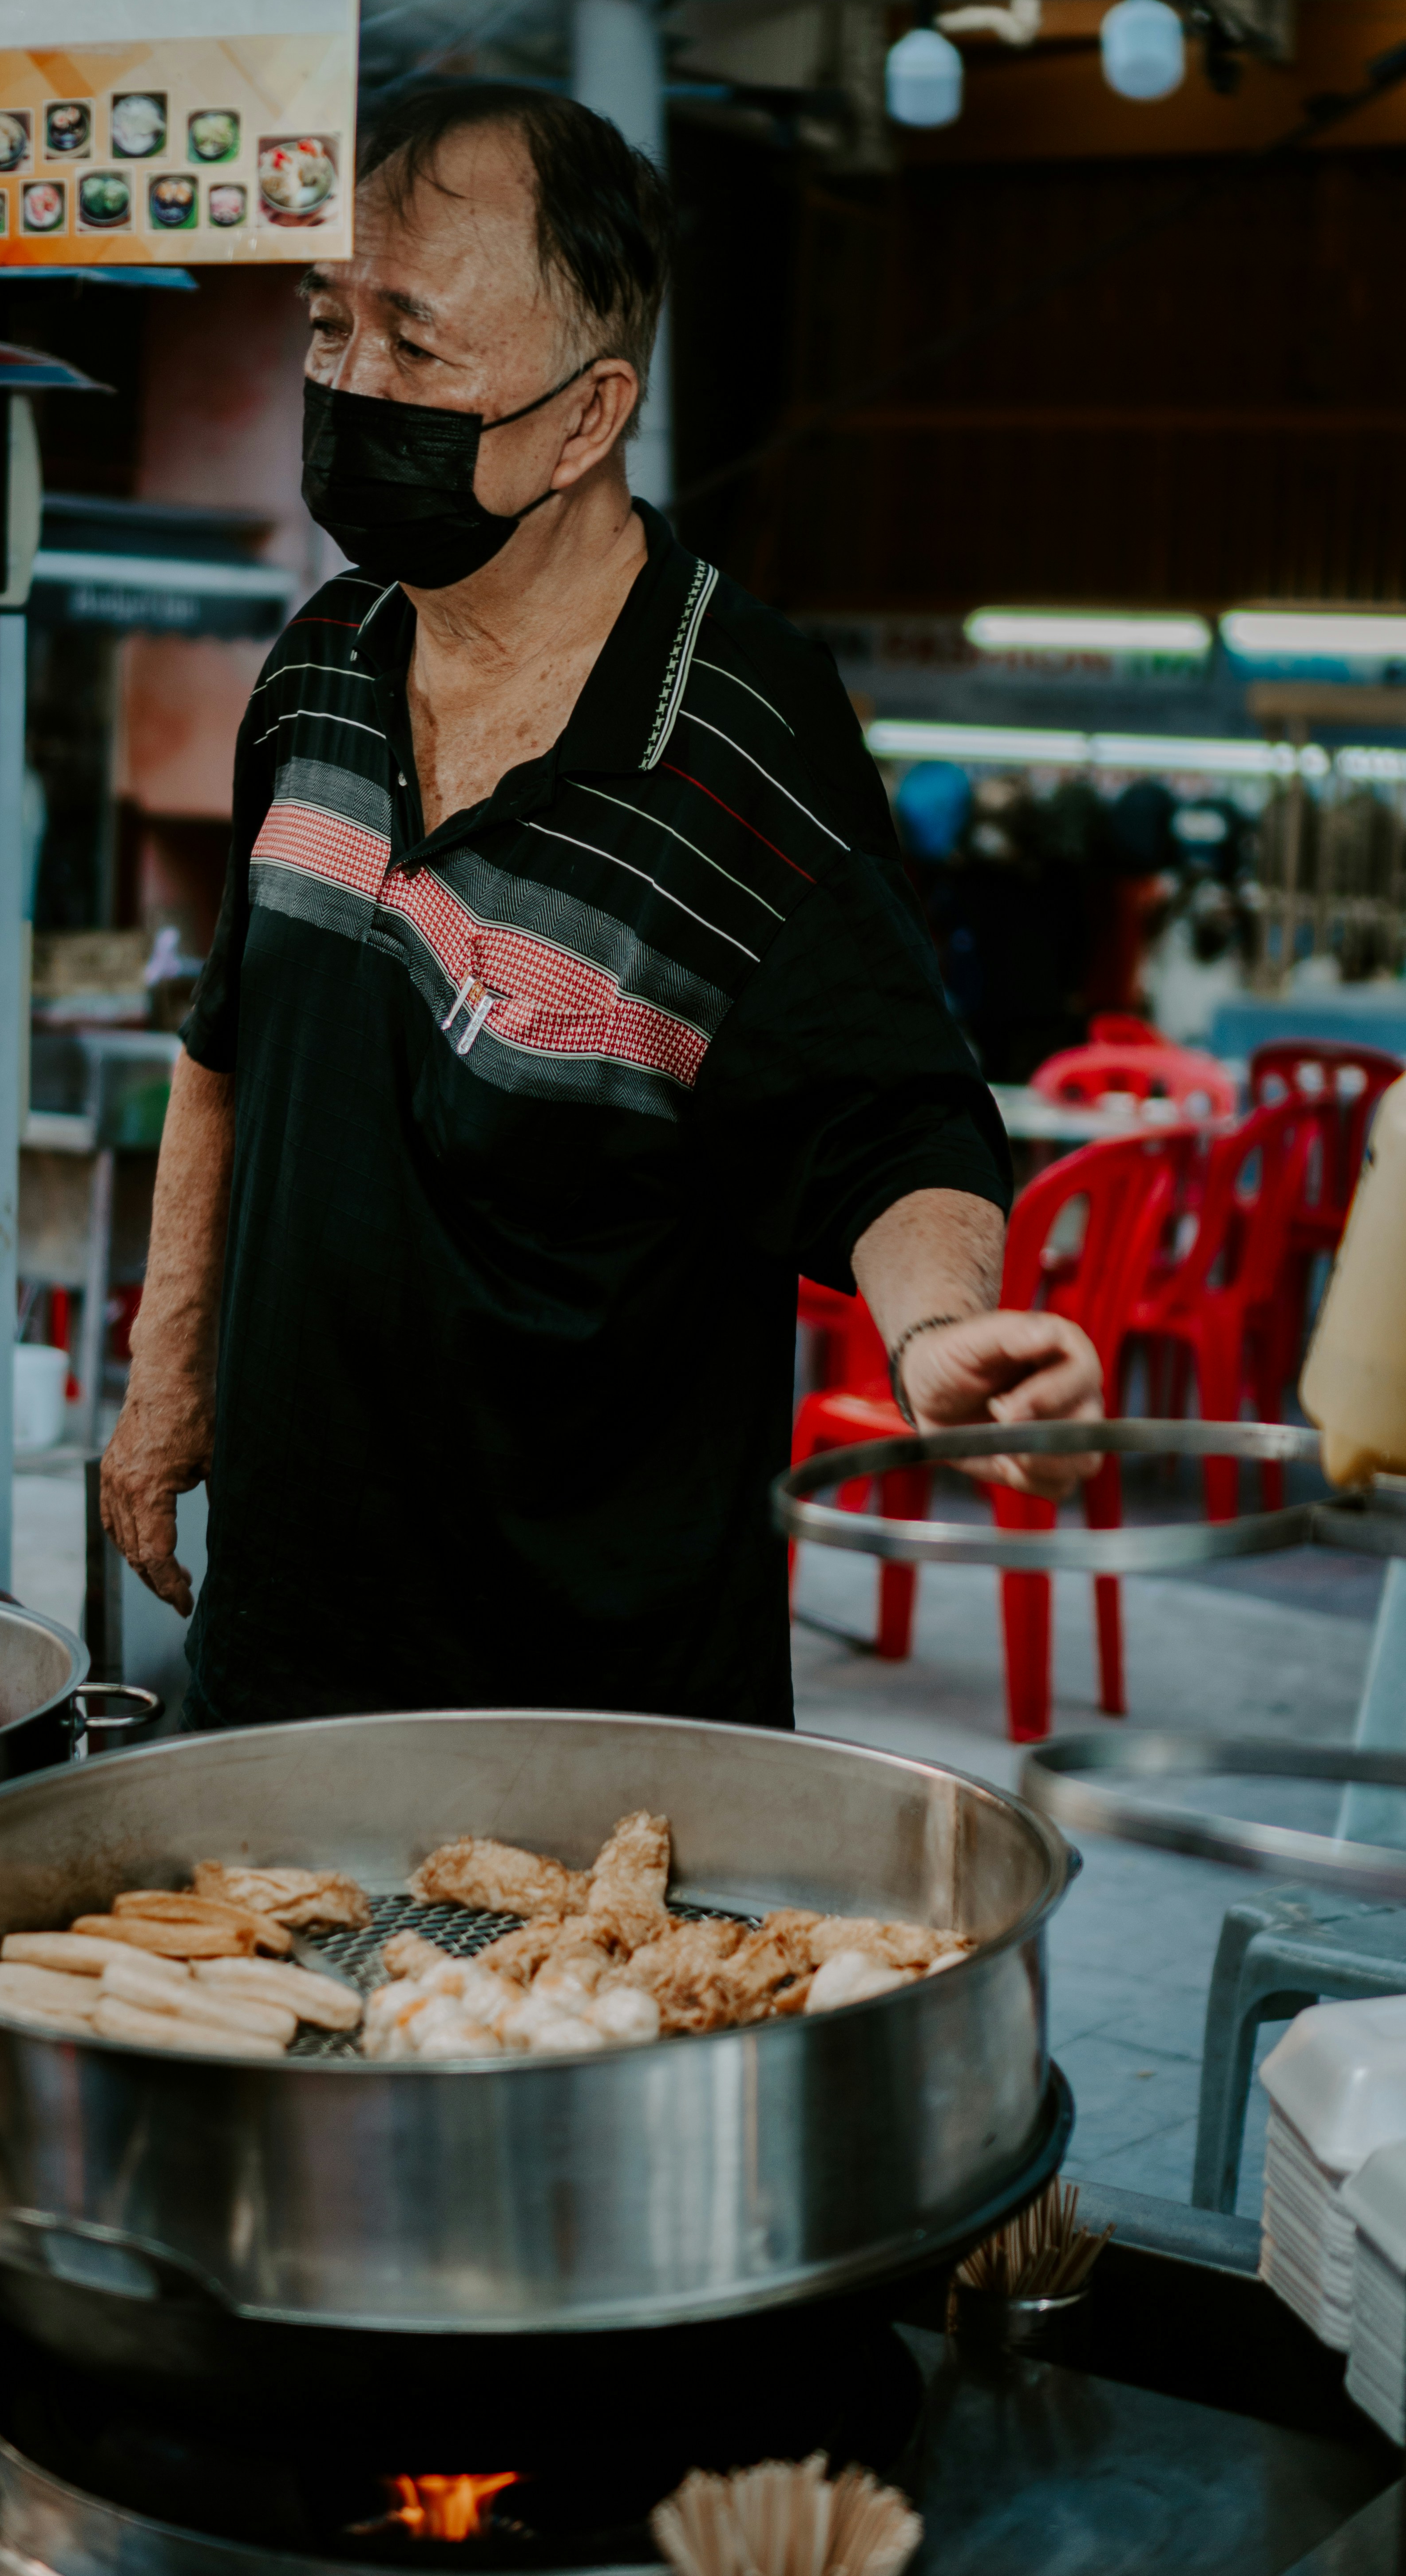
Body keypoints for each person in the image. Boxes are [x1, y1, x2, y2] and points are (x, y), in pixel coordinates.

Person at [101, 83, 1100, 1734]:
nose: (350, 387)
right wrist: (165, 1380)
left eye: (418, 350)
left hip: (592, 1712)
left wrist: (945, 1336)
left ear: (586, 420)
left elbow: (892, 1124)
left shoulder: (740, 729)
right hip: (281, 1656)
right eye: (329, 324)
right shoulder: (319, 666)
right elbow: (230, 1048)